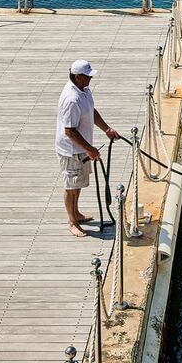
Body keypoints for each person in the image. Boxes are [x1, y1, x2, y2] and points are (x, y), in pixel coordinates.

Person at [56, 60, 119, 237]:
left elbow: (91, 111)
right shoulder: (71, 99)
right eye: (87, 77)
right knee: (71, 185)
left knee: (78, 183)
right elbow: (69, 131)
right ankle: (72, 221)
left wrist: (107, 129)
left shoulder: (83, 90)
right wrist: (90, 149)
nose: (90, 79)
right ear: (77, 77)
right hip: (71, 150)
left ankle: (76, 213)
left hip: (81, 148)